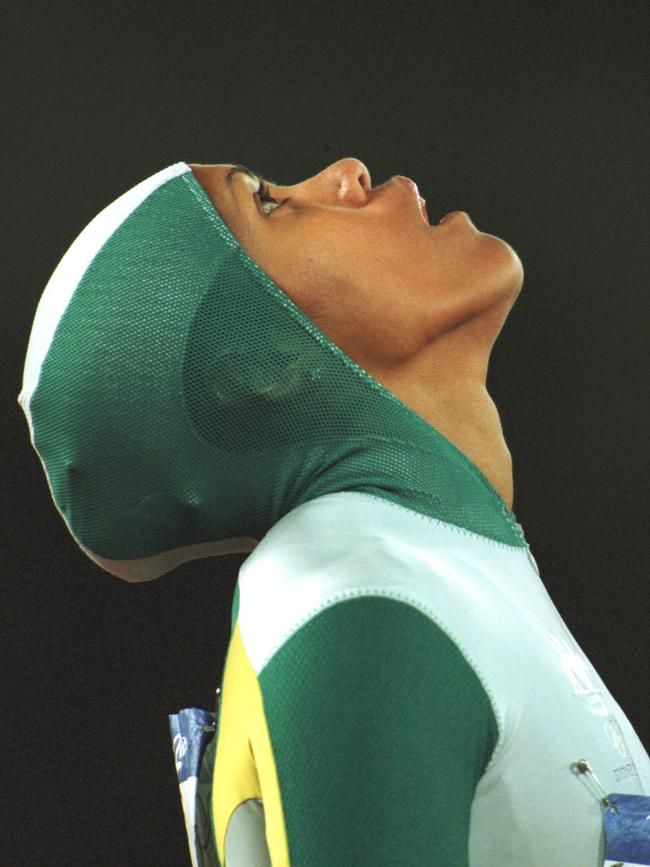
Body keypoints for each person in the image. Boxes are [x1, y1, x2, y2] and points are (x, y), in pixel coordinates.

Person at [18, 158, 650, 866]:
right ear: (260, 368)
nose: (346, 173)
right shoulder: (363, 600)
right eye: (271, 201)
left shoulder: (422, 570)